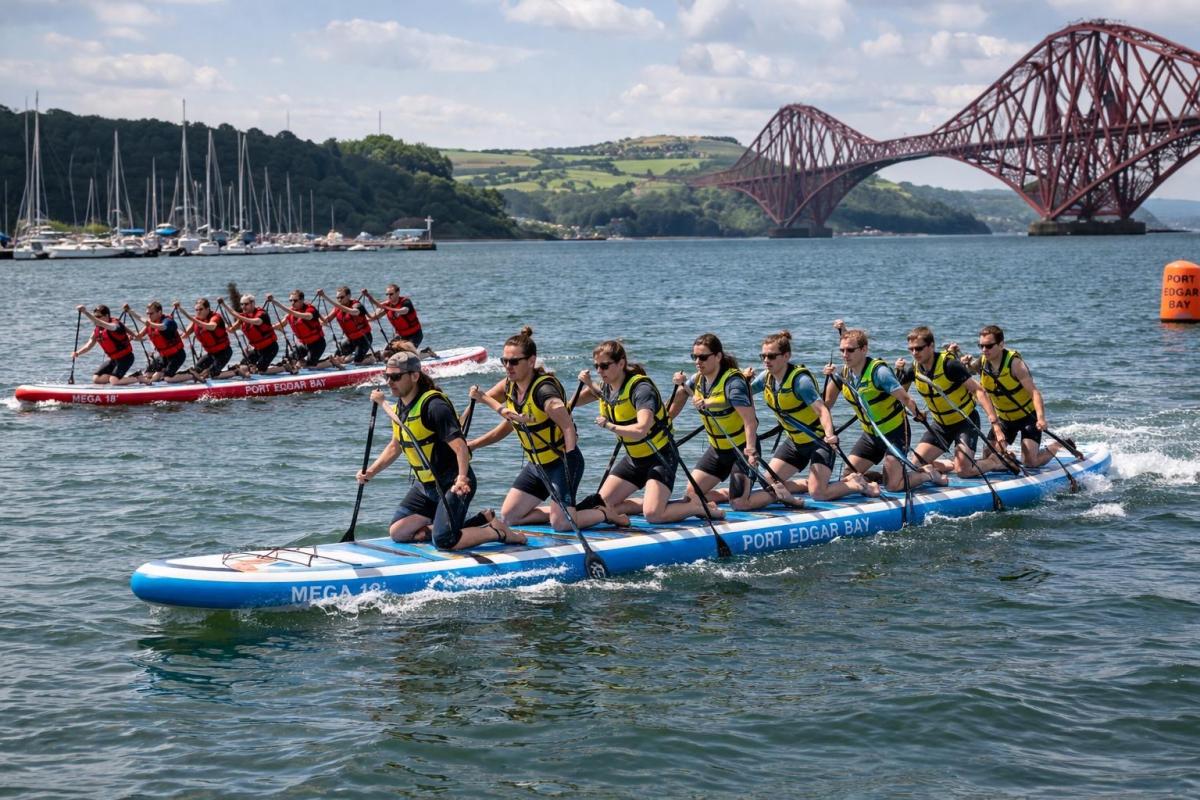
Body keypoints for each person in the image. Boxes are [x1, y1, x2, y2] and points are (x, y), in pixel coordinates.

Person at [358, 349, 523, 549]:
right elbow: (396, 445)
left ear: (414, 376)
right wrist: (371, 472)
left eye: (396, 377)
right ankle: (479, 520)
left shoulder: (434, 406)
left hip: (451, 482)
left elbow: (461, 447)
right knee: (399, 532)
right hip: (426, 486)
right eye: (387, 376)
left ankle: (496, 531)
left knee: (444, 541)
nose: (389, 382)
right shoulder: (400, 406)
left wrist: (462, 478)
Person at [467, 326, 626, 532]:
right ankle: (567, 512)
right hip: (537, 466)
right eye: (504, 361)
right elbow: (508, 426)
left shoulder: (545, 392)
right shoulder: (510, 386)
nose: (508, 366)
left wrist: (569, 458)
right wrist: (472, 444)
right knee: (510, 516)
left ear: (531, 361)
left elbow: (568, 427)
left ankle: (603, 512)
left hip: (562, 463)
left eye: (514, 361)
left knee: (560, 524)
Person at [574, 340, 714, 523]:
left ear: (621, 363)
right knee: (600, 504)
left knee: (653, 515)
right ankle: (643, 507)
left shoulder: (641, 389)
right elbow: (570, 404)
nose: (599, 371)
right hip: (634, 459)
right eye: (596, 366)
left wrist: (610, 426)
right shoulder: (605, 388)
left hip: (660, 457)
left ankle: (695, 506)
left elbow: (642, 429)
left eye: (605, 366)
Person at [669, 333, 801, 513]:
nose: (698, 362)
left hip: (741, 450)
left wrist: (751, 451)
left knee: (739, 504)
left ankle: (777, 493)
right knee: (691, 495)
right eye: (695, 357)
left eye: (703, 357)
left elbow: (750, 421)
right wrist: (677, 390)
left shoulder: (734, 383)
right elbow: (679, 398)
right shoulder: (696, 379)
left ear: (717, 357)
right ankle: (729, 495)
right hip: (717, 450)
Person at [750, 330, 878, 500]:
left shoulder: (801, 382)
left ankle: (856, 484)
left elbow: (822, 410)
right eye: (763, 356)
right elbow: (743, 395)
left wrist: (830, 435)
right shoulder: (765, 378)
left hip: (818, 443)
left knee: (818, 494)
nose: (766, 360)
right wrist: (741, 381)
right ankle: (811, 483)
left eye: (772, 356)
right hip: (795, 443)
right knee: (767, 483)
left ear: (786, 356)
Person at [821, 326, 947, 493]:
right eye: (842, 350)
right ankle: (881, 478)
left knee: (894, 486)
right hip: (871, 435)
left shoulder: (879, 372)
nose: (845, 355)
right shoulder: (842, 375)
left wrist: (918, 414)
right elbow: (825, 405)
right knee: (849, 473)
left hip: (895, 433)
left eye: (850, 350)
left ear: (864, 349)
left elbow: (905, 398)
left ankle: (928, 474)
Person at [893, 325, 1010, 477]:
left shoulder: (950, 365)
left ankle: (995, 461)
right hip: (940, 426)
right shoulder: (912, 370)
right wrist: (916, 411)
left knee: (963, 472)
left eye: (919, 348)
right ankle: (951, 464)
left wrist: (995, 425)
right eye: (911, 349)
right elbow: (901, 396)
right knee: (915, 465)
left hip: (965, 422)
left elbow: (979, 391)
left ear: (931, 346)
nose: (915, 353)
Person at [954, 324, 1065, 469]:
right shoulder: (981, 362)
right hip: (1004, 419)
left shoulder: (1015, 364)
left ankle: (1059, 445)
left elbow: (1035, 393)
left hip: (1028, 418)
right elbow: (970, 370)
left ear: (1001, 345)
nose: (984, 350)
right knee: (987, 455)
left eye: (988, 346)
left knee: (1030, 462)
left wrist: (1041, 418)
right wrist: (959, 356)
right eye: (980, 346)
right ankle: (1009, 458)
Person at [219, 294, 288, 377]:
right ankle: (247, 376)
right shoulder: (243, 317)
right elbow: (231, 330)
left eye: (246, 304)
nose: (243, 307)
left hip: (270, 348)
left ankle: (284, 368)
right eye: (242, 304)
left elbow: (255, 321)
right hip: (258, 349)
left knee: (261, 370)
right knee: (243, 365)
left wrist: (237, 315)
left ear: (253, 303)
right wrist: (223, 306)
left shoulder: (262, 314)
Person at [71, 304, 140, 385]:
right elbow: (89, 345)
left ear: (107, 316)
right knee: (96, 379)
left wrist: (85, 312)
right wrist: (78, 353)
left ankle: (138, 378)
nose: (96, 319)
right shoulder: (97, 330)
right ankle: (120, 378)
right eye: (95, 316)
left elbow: (98, 322)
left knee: (114, 381)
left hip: (126, 359)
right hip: (114, 360)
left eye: (99, 316)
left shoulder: (114, 326)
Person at [123, 301, 190, 383]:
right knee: (148, 373)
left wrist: (133, 313)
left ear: (159, 312)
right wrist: (131, 337)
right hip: (164, 356)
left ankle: (190, 374)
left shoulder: (168, 322)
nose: (149, 316)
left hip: (177, 355)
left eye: (151, 313)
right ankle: (160, 375)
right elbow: (139, 336)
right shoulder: (150, 325)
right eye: (147, 314)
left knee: (168, 378)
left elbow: (161, 327)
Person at [266, 290, 332, 369]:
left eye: (295, 300)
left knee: (310, 367)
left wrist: (278, 304)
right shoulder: (291, 312)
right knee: (288, 360)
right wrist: (269, 328)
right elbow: (281, 324)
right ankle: (300, 363)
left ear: (302, 300)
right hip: (303, 345)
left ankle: (330, 362)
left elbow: (306, 316)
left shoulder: (310, 310)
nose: (292, 303)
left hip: (317, 344)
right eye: (291, 300)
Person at [174, 298, 237, 380]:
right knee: (196, 371)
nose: (198, 312)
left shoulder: (215, 317)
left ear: (207, 309)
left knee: (212, 374)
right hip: (211, 355)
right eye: (196, 310)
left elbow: (212, 326)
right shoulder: (196, 320)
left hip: (224, 353)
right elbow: (185, 335)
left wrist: (191, 318)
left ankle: (236, 371)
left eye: (201, 309)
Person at [318, 286, 376, 365]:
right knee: (337, 357)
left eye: (341, 297)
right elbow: (326, 321)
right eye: (337, 298)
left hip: (364, 339)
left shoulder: (357, 305)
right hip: (351, 340)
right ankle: (350, 359)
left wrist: (325, 297)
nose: (339, 300)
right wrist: (315, 316)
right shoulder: (337, 308)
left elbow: (354, 312)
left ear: (349, 296)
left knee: (357, 362)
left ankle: (370, 359)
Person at [363, 284, 424, 350]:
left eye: (391, 294)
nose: (389, 296)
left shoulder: (406, 302)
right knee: (386, 354)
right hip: (402, 336)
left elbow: (404, 310)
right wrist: (368, 295)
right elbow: (376, 309)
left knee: (405, 353)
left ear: (398, 293)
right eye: (387, 294)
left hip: (415, 335)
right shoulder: (388, 304)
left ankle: (426, 352)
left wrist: (390, 308)